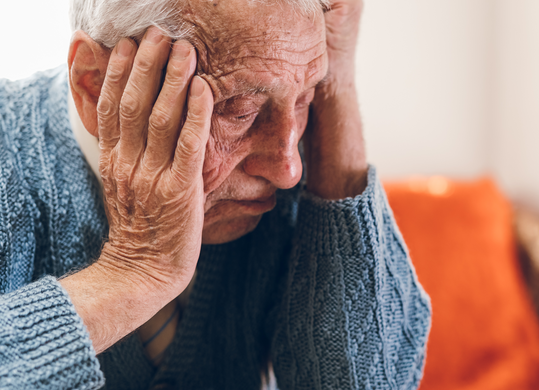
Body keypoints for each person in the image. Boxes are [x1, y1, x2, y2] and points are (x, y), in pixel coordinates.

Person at [0, 0, 431, 388]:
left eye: (305, 97)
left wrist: (336, 90)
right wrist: (134, 269)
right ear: (94, 84)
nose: (288, 169)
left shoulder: (290, 177)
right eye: (240, 110)